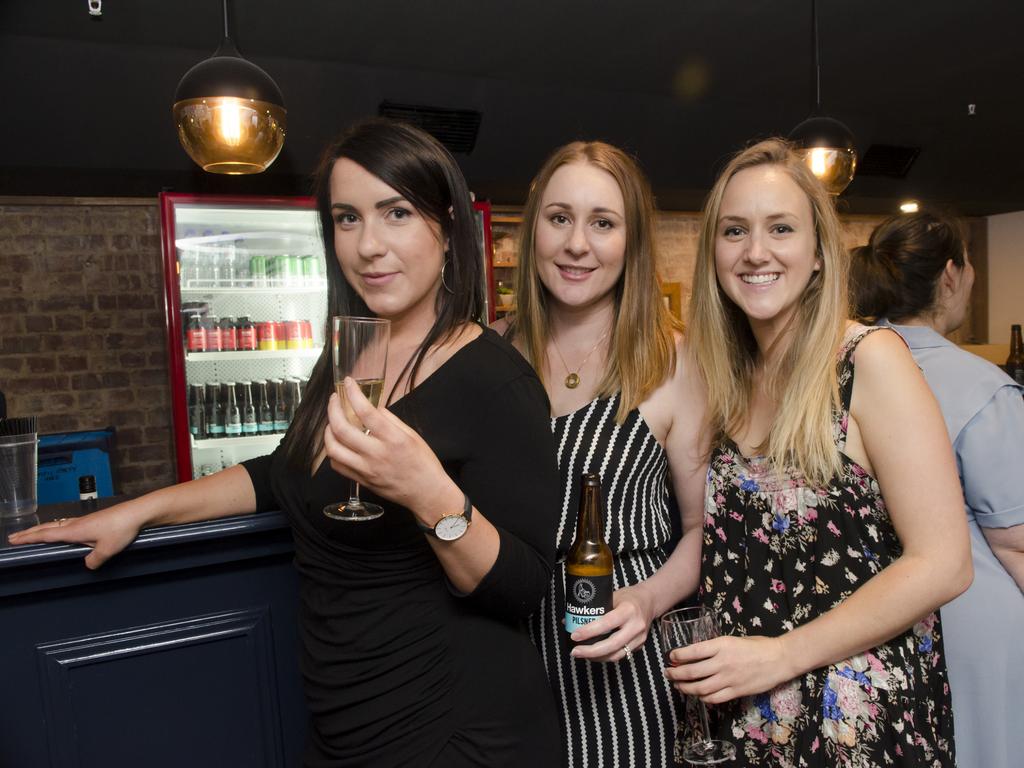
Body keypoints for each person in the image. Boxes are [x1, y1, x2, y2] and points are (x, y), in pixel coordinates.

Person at [9, 119, 562, 768]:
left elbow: (524, 588)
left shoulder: (495, 379)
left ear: (447, 225)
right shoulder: (349, 352)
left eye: (396, 213)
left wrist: (426, 491)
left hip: (453, 727)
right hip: (343, 718)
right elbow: (284, 473)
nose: (369, 245)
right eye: (347, 219)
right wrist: (140, 509)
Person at [666, 138, 973, 766]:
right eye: (734, 231)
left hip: (856, 725)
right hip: (748, 721)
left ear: (818, 254)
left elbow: (944, 563)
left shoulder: (868, 359)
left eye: (781, 228)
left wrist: (783, 654)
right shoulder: (725, 381)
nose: (756, 252)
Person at [493, 141, 707, 767]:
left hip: (624, 671)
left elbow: (698, 530)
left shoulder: (674, 362)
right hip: (504, 655)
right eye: (559, 218)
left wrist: (645, 601)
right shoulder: (488, 350)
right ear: (534, 230)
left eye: (603, 223)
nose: (577, 244)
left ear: (632, 243)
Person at [850, 211, 1024, 768]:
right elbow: (1015, 541)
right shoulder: (984, 387)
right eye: (969, 264)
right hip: (970, 627)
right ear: (951, 275)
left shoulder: (839, 368)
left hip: (869, 620)